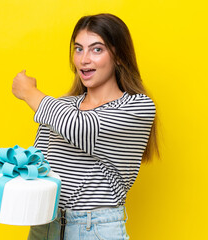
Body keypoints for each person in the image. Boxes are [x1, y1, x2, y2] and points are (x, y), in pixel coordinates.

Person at [12, 13, 158, 240]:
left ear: (119, 56)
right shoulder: (62, 106)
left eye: (96, 49)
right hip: (44, 225)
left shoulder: (136, 107)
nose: (83, 60)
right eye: (78, 49)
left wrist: (29, 92)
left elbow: (80, 128)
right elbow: (39, 165)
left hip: (94, 229)